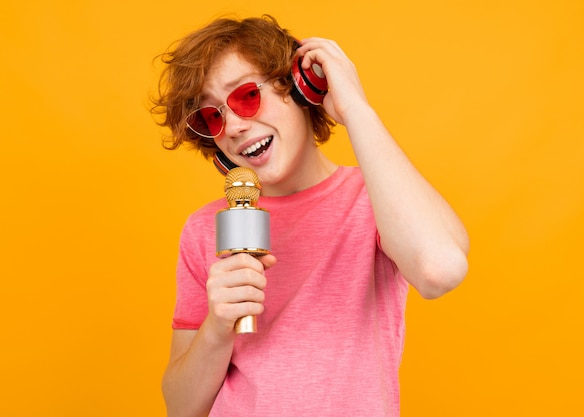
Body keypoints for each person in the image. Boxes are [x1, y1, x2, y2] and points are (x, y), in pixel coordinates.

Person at [151, 14, 469, 417]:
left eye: (246, 95)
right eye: (212, 117)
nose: (232, 126)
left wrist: (356, 109)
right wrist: (217, 325)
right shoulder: (204, 229)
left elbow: (440, 270)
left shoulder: (378, 199)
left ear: (300, 90)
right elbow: (181, 409)